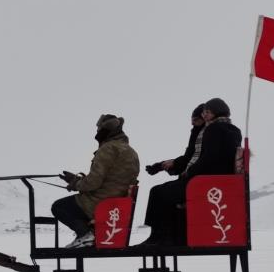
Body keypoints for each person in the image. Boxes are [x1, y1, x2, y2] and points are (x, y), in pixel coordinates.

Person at [140, 97, 242, 246]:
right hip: (218, 182)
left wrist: (189, 173)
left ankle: (159, 237)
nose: (204, 115)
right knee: (167, 191)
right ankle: (172, 237)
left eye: (207, 112)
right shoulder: (233, 130)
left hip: (206, 183)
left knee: (158, 192)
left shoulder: (213, 129)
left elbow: (208, 158)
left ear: (216, 112)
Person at [52, 114, 140, 249]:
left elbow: (94, 182)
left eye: (99, 129)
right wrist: (77, 180)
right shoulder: (130, 151)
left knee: (59, 206)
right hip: (116, 200)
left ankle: (86, 235)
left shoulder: (108, 149)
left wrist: (76, 184)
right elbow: (110, 179)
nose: (97, 132)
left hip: (101, 201)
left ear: (105, 130)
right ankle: (87, 235)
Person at [145, 104, 206, 178]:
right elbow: (189, 157)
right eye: (192, 120)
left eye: (195, 119)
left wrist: (173, 163)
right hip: (195, 176)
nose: (192, 123)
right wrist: (162, 165)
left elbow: (195, 159)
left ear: (204, 119)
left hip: (203, 177)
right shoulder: (196, 132)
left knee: (157, 190)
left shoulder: (207, 133)